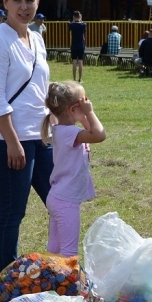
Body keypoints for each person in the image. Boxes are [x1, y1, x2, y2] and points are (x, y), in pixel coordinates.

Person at [0, 0, 52, 273]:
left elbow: (42, 90)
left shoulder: (36, 38)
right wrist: (11, 141)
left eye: (30, 0)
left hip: (43, 138)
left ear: (38, 2)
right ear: (5, 2)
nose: (24, 6)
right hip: (13, 140)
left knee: (59, 204)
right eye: (17, 0)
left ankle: (61, 269)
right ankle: (5, 281)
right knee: (13, 212)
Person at [40, 81, 107, 256]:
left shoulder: (62, 129)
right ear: (72, 109)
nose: (87, 104)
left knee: (54, 250)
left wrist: (83, 113)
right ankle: (69, 282)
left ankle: (50, 279)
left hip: (57, 197)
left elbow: (90, 130)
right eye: (83, 102)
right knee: (69, 253)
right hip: (66, 202)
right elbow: (99, 135)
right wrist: (90, 112)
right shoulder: (70, 133)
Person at [69, 10, 87, 82]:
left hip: (74, 44)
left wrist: (73, 20)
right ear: (80, 16)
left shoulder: (71, 25)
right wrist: (81, 19)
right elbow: (84, 31)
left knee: (74, 62)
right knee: (80, 61)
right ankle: (80, 78)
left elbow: (70, 28)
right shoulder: (83, 25)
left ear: (73, 17)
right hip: (81, 44)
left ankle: (74, 78)